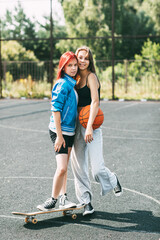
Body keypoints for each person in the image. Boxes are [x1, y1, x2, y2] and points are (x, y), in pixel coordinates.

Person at [71, 46, 123, 216]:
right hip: (76, 124)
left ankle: (112, 179)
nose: (82, 61)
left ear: (90, 60)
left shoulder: (92, 77)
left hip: (91, 124)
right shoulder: (74, 78)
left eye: (86, 58)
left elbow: (95, 102)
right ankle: (86, 203)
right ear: (76, 59)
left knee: (97, 169)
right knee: (79, 167)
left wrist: (89, 127)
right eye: (80, 57)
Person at [37, 51, 78, 211]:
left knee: (65, 168)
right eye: (70, 65)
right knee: (61, 168)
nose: (74, 68)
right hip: (59, 132)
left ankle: (63, 198)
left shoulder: (72, 83)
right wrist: (59, 136)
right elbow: (55, 109)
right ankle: (52, 200)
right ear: (63, 66)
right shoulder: (62, 84)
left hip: (70, 132)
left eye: (75, 65)